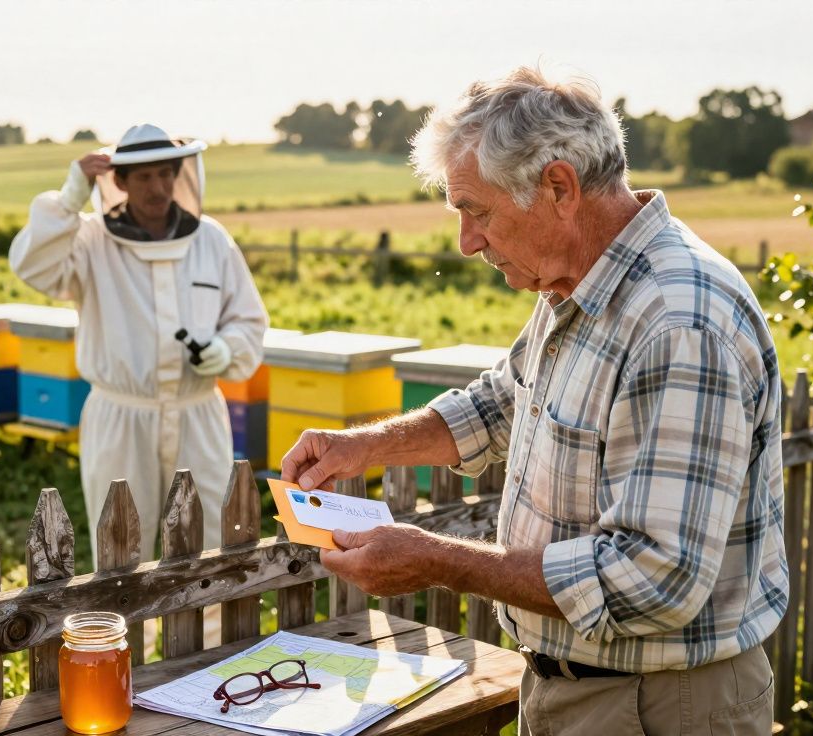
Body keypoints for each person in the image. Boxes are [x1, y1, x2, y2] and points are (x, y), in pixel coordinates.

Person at [281, 66, 785, 734]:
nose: (467, 243)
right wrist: (365, 446)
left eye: (477, 212)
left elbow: (653, 580)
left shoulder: (679, 322)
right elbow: (501, 401)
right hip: (584, 688)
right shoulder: (573, 282)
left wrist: (438, 562)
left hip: (659, 705)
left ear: (559, 188)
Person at [11, 123, 268, 560]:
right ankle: (127, 612)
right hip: (121, 417)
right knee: (121, 546)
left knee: (207, 540)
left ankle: (203, 612)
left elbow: (247, 317)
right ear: (121, 181)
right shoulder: (90, 240)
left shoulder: (211, 240)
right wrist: (69, 199)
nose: (158, 187)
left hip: (197, 412)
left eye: (165, 174)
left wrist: (228, 348)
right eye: (145, 177)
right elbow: (33, 266)